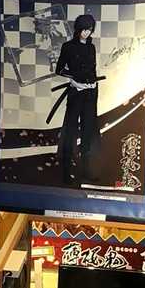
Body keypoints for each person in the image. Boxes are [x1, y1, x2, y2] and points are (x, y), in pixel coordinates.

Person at [52, 12, 100, 185]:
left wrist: (93, 84)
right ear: (78, 29)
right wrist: (74, 80)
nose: (86, 33)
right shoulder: (68, 47)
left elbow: (92, 69)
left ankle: (86, 170)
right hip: (76, 93)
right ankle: (65, 172)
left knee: (88, 131)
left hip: (90, 93)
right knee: (70, 131)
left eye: (90, 30)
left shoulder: (91, 47)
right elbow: (59, 69)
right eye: (84, 29)